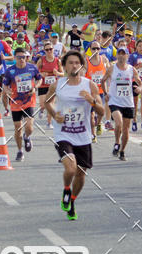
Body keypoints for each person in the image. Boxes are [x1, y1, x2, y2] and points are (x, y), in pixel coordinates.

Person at [43, 51, 104, 220]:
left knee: (81, 174)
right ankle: (66, 190)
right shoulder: (57, 85)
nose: (74, 66)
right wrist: (54, 114)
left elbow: (101, 111)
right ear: (64, 66)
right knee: (71, 168)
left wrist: (91, 100)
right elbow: (47, 102)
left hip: (83, 135)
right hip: (63, 134)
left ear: (82, 66)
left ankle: (72, 200)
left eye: (77, 63)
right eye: (70, 63)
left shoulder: (89, 85)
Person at [101, 47, 142, 161]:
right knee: (118, 123)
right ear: (117, 56)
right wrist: (105, 93)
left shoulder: (131, 69)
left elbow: (140, 82)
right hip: (114, 100)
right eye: (119, 53)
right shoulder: (112, 68)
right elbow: (103, 80)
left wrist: (140, 88)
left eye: (123, 54)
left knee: (126, 129)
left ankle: (122, 151)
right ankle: (117, 142)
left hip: (128, 102)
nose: (121, 56)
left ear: (127, 56)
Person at [2, 47, 42, 161]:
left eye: (23, 57)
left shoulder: (32, 68)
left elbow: (39, 79)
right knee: (18, 128)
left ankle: (27, 136)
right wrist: (7, 91)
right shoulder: (10, 71)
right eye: (19, 57)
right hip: (15, 103)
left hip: (29, 101)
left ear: (26, 57)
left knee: (29, 127)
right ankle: (20, 151)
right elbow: (5, 84)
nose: (21, 59)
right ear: (15, 58)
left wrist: (35, 87)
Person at [84, 41, 109, 141]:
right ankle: (93, 134)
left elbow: (108, 73)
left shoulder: (104, 59)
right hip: (90, 92)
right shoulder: (86, 61)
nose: (96, 50)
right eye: (93, 48)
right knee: (91, 114)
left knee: (101, 113)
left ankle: (98, 124)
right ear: (90, 49)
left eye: (98, 48)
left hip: (101, 91)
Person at [36, 41, 64, 129]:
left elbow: (63, 73)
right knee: (43, 104)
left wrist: (58, 73)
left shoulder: (57, 61)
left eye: (50, 49)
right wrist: (41, 74)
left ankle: (49, 123)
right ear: (44, 51)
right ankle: (41, 109)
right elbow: (35, 72)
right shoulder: (41, 60)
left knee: (50, 104)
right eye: (47, 50)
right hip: (43, 85)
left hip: (53, 86)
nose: (49, 51)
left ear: (53, 49)